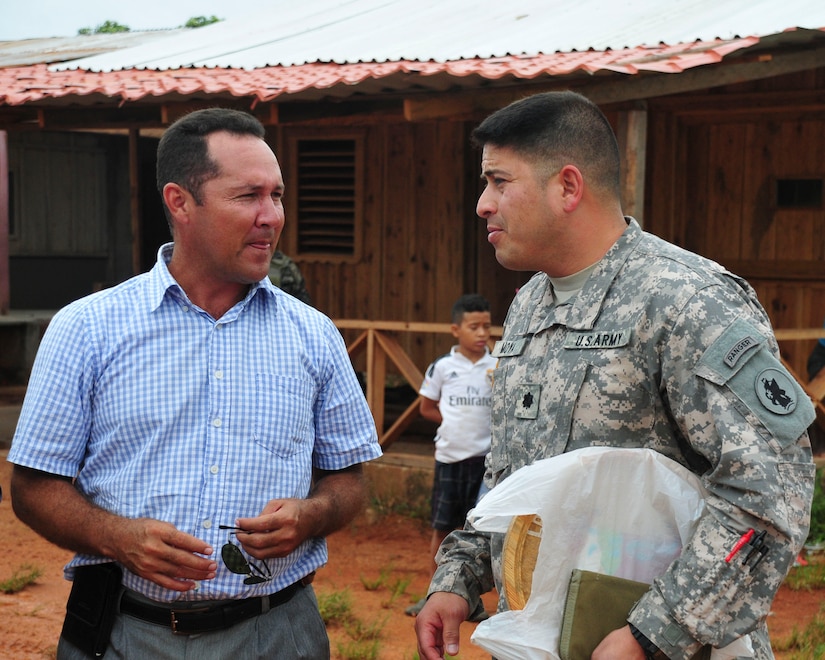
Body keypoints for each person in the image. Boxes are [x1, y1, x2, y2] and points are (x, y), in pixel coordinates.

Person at [414, 91, 816, 660]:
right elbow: (515, 480)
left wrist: (654, 634)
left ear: (568, 187)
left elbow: (770, 488)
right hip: (545, 639)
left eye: (499, 182)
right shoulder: (529, 306)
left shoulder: (686, 301)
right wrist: (457, 577)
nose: (483, 203)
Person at [8, 107, 382, 659]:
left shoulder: (315, 335)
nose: (271, 216)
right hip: (123, 634)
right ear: (180, 202)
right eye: (247, 196)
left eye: (277, 196)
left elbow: (348, 478)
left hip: (278, 633)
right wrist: (116, 537)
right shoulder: (86, 329)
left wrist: (313, 516)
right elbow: (32, 488)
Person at [405, 293, 497, 618]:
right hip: (450, 460)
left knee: (479, 531)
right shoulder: (443, 367)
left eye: (487, 326)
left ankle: (473, 599)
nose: (482, 333)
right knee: (443, 528)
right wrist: (455, 423)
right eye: (474, 327)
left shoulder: (497, 364)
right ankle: (434, 594)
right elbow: (426, 408)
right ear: (456, 330)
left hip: (486, 464)